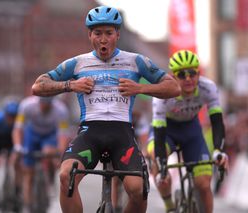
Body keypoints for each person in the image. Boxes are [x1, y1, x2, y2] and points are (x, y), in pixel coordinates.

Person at [31, 5, 181, 213]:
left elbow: (174, 87)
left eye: (108, 33)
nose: (103, 39)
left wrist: (141, 87)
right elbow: (38, 86)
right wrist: (70, 85)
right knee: (67, 176)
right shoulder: (77, 64)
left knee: (138, 191)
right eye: (98, 33)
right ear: (90, 35)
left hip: (122, 134)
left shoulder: (136, 61)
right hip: (89, 134)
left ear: (117, 35)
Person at [147, 49, 229, 213]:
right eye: (182, 74)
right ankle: (169, 205)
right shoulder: (162, 93)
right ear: (173, 76)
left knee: (204, 185)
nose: (189, 78)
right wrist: (162, 165)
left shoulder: (208, 88)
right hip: (167, 131)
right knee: (155, 154)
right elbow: (159, 130)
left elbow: (217, 122)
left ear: (199, 73)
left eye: (192, 73)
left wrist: (219, 151)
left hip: (191, 131)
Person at [11, 95, 70, 212]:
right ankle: (28, 206)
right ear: (38, 102)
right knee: (28, 173)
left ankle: (50, 180)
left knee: (48, 152)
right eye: (42, 104)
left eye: (47, 105)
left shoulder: (61, 110)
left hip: (50, 135)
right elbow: (18, 128)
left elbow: (63, 135)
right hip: (32, 134)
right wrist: (18, 146)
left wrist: (60, 154)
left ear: (52, 103)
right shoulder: (26, 105)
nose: (44, 106)